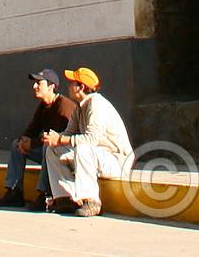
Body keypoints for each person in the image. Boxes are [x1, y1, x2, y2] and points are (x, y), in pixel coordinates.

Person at [42, 66, 133, 217]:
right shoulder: (80, 107)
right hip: (96, 157)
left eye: (72, 83)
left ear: (81, 87)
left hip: (117, 161)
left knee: (83, 148)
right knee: (52, 150)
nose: (69, 87)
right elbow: (68, 133)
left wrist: (61, 139)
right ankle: (65, 198)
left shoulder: (96, 104)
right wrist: (53, 138)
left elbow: (91, 139)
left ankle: (92, 201)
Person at [0, 68, 75, 209]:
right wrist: (24, 141)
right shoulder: (43, 106)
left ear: (51, 87)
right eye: (35, 83)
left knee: (47, 148)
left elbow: (58, 139)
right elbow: (32, 128)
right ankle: (14, 192)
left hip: (65, 154)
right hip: (48, 147)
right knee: (16, 145)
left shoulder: (63, 106)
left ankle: (45, 194)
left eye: (39, 83)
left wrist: (33, 143)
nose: (34, 86)